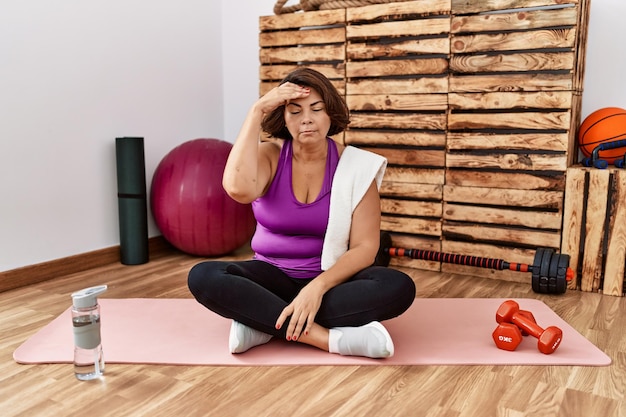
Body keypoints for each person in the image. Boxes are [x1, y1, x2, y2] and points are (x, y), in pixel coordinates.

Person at [188, 67, 416, 359]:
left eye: (316, 109)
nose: (306, 119)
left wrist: (316, 289)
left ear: (330, 114)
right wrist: (256, 111)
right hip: (270, 277)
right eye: (294, 111)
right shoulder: (270, 156)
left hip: (330, 281)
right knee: (204, 276)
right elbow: (237, 189)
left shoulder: (357, 167)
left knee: (397, 286)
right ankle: (326, 339)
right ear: (282, 118)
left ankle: (263, 321)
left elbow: (365, 247)